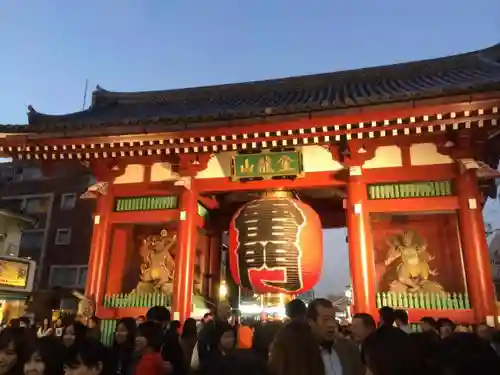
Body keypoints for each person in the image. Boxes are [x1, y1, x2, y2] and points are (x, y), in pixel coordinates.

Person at [307, 299, 364, 375]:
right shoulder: (301, 355)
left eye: (333, 319)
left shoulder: (348, 348)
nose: (331, 324)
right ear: (311, 322)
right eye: (325, 319)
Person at [146, 306, 184, 375]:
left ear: (165, 323)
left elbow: (180, 363)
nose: (152, 327)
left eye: (155, 324)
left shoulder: (173, 338)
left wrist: (172, 367)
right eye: (149, 324)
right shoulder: (145, 336)